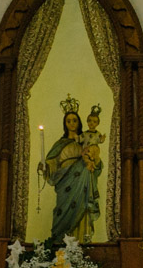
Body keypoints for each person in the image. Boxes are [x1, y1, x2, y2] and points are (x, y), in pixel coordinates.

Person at [40, 103, 102, 244]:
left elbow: (96, 164)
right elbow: (51, 163)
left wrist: (94, 160)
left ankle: (80, 244)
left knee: (82, 211)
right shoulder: (60, 144)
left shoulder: (85, 141)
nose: (72, 123)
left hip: (83, 183)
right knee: (62, 212)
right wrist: (45, 166)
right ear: (65, 123)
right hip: (64, 183)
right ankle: (58, 244)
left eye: (74, 120)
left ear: (79, 122)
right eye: (68, 121)